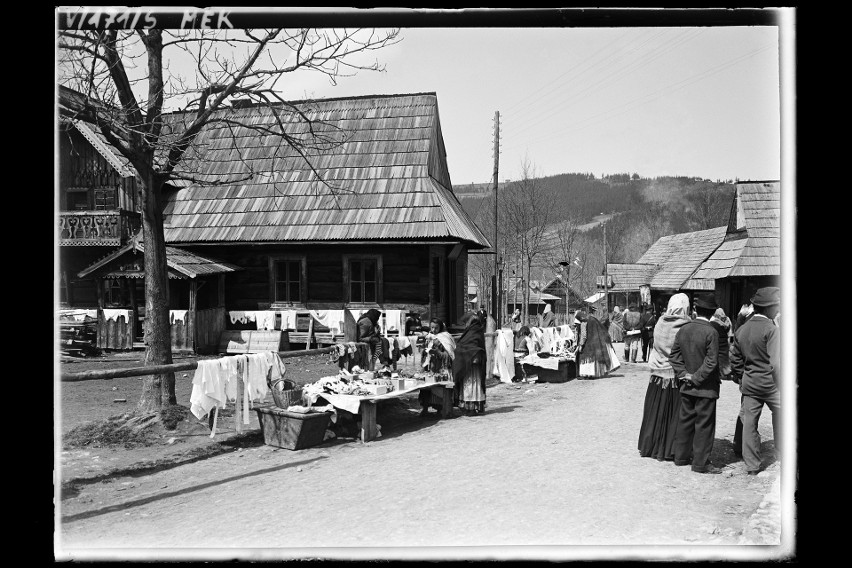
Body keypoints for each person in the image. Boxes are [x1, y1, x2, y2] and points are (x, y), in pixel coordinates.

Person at [669, 292, 723, 474]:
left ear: (695, 309)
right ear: (713, 312)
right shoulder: (711, 332)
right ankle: (700, 463)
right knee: (704, 425)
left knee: (685, 421)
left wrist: (684, 374)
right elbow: (711, 361)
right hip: (705, 388)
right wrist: (696, 377)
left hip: (686, 386)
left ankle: (681, 457)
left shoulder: (684, 329)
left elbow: (674, 356)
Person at [729, 287, 781, 476]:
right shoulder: (772, 330)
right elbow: (776, 363)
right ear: (767, 309)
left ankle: (751, 465)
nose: (777, 310)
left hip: (750, 385)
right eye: (775, 306)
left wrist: (744, 376)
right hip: (772, 385)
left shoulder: (742, 329)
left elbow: (734, 358)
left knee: (750, 423)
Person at [637, 294, 691, 461]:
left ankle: (651, 446)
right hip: (675, 376)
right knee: (672, 414)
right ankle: (669, 448)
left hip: (657, 374)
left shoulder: (660, 322)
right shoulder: (686, 325)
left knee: (656, 412)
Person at [419, 318, 456, 416]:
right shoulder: (430, 337)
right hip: (431, 366)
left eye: (436, 328)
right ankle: (425, 408)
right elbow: (425, 351)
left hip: (442, 368)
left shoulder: (445, 338)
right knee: (426, 386)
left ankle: (441, 408)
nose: (434, 330)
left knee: (440, 387)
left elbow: (449, 355)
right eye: (432, 327)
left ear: (441, 327)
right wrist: (424, 350)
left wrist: (437, 352)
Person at [453, 311, 487, 415]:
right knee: (469, 385)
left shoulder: (474, 331)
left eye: (465, 323)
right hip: (467, 363)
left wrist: (463, 351)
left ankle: (471, 408)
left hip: (472, 364)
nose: (465, 325)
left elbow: (474, 346)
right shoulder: (474, 331)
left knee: (471, 385)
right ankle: (468, 407)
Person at [574, 309, 620, 379]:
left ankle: (587, 374)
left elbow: (583, 335)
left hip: (588, 343)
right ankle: (593, 374)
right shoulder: (592, 318)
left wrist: (581, 345)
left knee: (586, 358)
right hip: (595, 341)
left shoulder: (583, 322)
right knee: (593, 359)